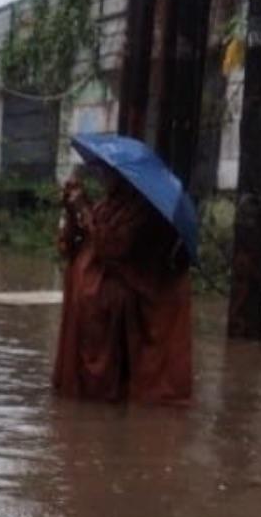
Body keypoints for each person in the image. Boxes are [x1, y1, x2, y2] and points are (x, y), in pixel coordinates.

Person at [52, 163, 192, 404]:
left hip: (122, 297)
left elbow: (113, 246)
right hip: (92, 291)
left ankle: (106, 398)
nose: (105, 177)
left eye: (111, 173)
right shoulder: (111, 203)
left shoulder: (144, 211)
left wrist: (83, 209)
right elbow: (77, 240)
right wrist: (73, 208)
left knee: (106, 369)